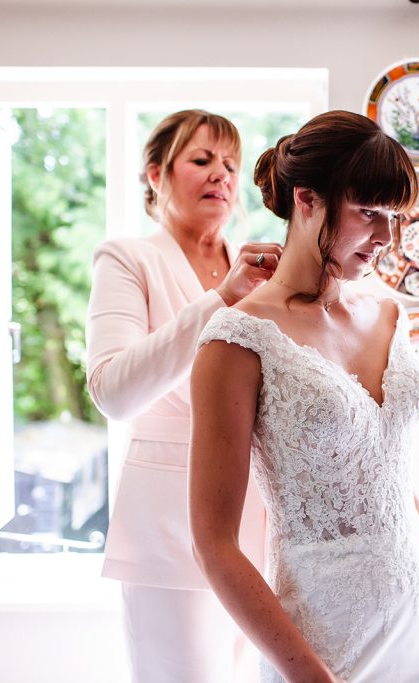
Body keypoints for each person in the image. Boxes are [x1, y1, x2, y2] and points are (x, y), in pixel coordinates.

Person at [188, 110, 419, 683]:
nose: (385, 238)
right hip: (322, 648)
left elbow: (385, 478)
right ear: (307, 198)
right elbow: (213, 545)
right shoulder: (236, 340)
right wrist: (312, 677)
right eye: (368, 213)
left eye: (393, 217)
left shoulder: (388, 314)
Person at [85, 109, 282, 682]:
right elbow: (115, 393)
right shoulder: (128, 259)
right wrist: (221, 297)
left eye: (230, 164)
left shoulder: (261, 265)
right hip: (169, 527)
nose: (221, 174)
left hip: (265, 526)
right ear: (156, 174)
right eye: (202, 160)